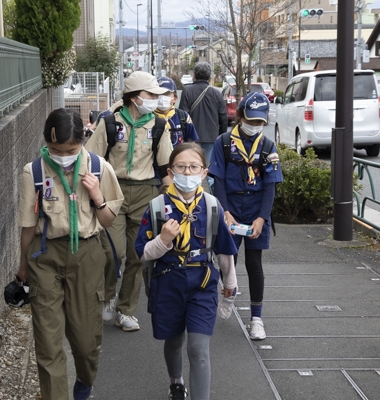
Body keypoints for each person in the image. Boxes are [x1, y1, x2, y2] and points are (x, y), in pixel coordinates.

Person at [16, 108, 124, 400]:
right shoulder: (34, 171)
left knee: (86, 341)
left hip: (87, 253)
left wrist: (98, 197)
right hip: (45, 255)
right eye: (55, 150)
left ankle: (85, 382)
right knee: (48, 344)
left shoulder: (99, 168)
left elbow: (108, 221)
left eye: (71, 150)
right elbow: (28, 225)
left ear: (83, 140)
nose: (63, 156)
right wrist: (22, 265)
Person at [135, 143, 238, 400]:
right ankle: (176, 382)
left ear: (204, 173)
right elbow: (142, 252)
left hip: (202, 283)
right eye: (181, 167)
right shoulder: (157, 207)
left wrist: (230, 286)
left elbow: (225, 251)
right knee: (173, 341)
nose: (188, 172)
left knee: (199, 350)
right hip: (167, 282)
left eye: (194, 167)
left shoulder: (212, 206)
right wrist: (164, 240)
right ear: (171, 171)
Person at [86, 71, 173, 332]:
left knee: (138, 254)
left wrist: (170, 200)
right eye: (150, 95)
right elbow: (91, 159)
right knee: (113, 252)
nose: (156, 99)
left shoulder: (159, 126)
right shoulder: (110, 123)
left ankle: (126, 310)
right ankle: (109, 295)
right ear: (135, 98)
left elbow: (166, 167)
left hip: (146, 193)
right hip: (112, 192)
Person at [208, 92, 282, 340]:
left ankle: (257, 319)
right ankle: (228, 293)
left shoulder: (268, 146)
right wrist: (225, 213)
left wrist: (262, 218)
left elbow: (271, 185)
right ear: (240, 116)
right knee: (228, 259)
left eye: (260, 122)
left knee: (254, 263)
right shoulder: (224, 142)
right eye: (251, 121)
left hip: (256, 207)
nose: (255, 126)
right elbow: (217, 180)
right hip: (230, 205)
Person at [179, 62, 228, 190]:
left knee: (191, 169)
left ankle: (192, 196)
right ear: (209, 77)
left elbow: (182, 116)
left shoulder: (187, 91)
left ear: (194, 75)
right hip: (212, 137)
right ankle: (210, 199)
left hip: (191, 138)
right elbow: (223, 117)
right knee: (209, 171)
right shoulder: (216, 93)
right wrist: (221, 137)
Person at [155, 77, 199, 147]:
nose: (162, 97)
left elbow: (192, 142)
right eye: (158, 93)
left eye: (166, 94)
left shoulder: (183, 116)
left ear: (175, 98)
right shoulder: (148, 117)